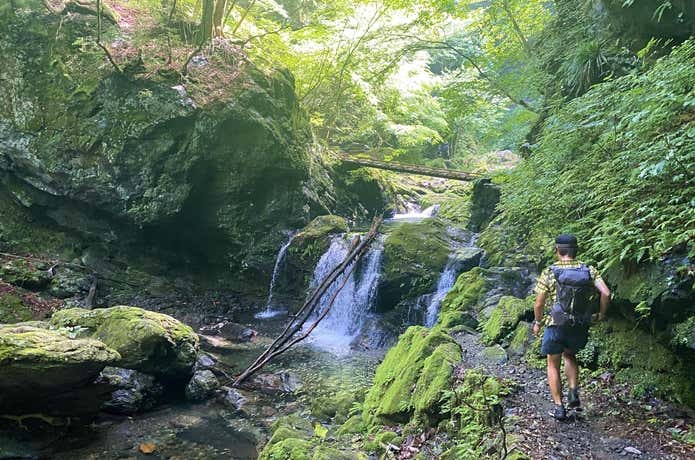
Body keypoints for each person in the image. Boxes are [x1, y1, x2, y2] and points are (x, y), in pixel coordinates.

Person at [533, 234, 611, 420]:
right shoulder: (588, 270)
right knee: (570, 354)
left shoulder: (550, 272)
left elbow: (539, 303)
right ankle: (573, 391)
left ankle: (559, 407)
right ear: (576, 250)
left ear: (557, 251)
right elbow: (606, 293)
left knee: (553, 363)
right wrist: (601, 314)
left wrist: (537, 322)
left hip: (556, 324)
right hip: (579, 324)